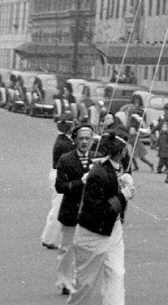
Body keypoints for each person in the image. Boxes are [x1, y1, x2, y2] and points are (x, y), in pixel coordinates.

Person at [67, 133, 134, 305]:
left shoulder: (111, 168)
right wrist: (123, 196)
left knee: (116, 274)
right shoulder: (98, 173)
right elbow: (100, 211)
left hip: (113, 229)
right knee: (84, 286)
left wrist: (123, 183)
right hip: (93, 235)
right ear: (121, 151)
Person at [53, 123, 96, 298]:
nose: (85, 142)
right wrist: (81, 182)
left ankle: (83, 280)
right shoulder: (66, 159)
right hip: (70, 211)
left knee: (87, 249)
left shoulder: (97, 159)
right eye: (81, 139)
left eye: (88, 139)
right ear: (75, 140)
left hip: (90, 212)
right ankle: (64, 281)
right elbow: (60, 187)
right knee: (67, 248)